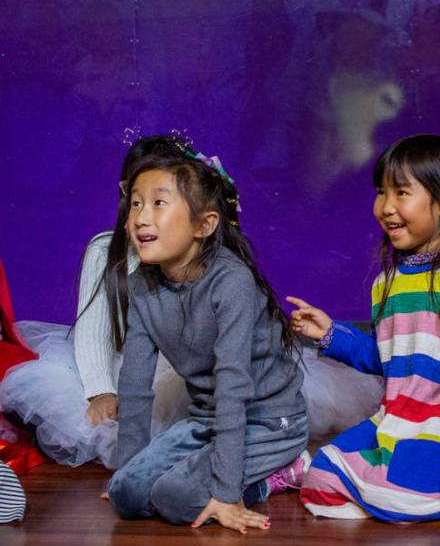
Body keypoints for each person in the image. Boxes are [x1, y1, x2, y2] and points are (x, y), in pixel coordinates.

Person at [289, 134, 440, 522]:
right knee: (320, 480)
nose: (386, 208)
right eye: (381, 193)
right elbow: (389, 360)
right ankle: (399, 496)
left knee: (405, 499)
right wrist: (331, 334)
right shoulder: (385, 284)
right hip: (393, 420)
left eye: (401, 193)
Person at [106, 147, 308, 533]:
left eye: (158, 203)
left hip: (266, 420)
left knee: (176, 498)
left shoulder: (231, 282)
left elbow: (234, 386)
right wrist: (127, 473)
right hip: (207, 418)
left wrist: (227, 492)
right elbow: (134, 385)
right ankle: (190, 477)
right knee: (127, 496)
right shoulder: (142, 286)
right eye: (135, 204)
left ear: (205, 224)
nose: (140, 217)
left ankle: (281, 472)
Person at [0, 136, 190, 469]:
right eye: (137, 199)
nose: (147, 213)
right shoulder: (106, 250)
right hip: (122, 365)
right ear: (124, 192)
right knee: (108, 425)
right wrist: (101, 389)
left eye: (161, 200)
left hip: (181, 370)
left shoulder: (196, 253)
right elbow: (93, 330)